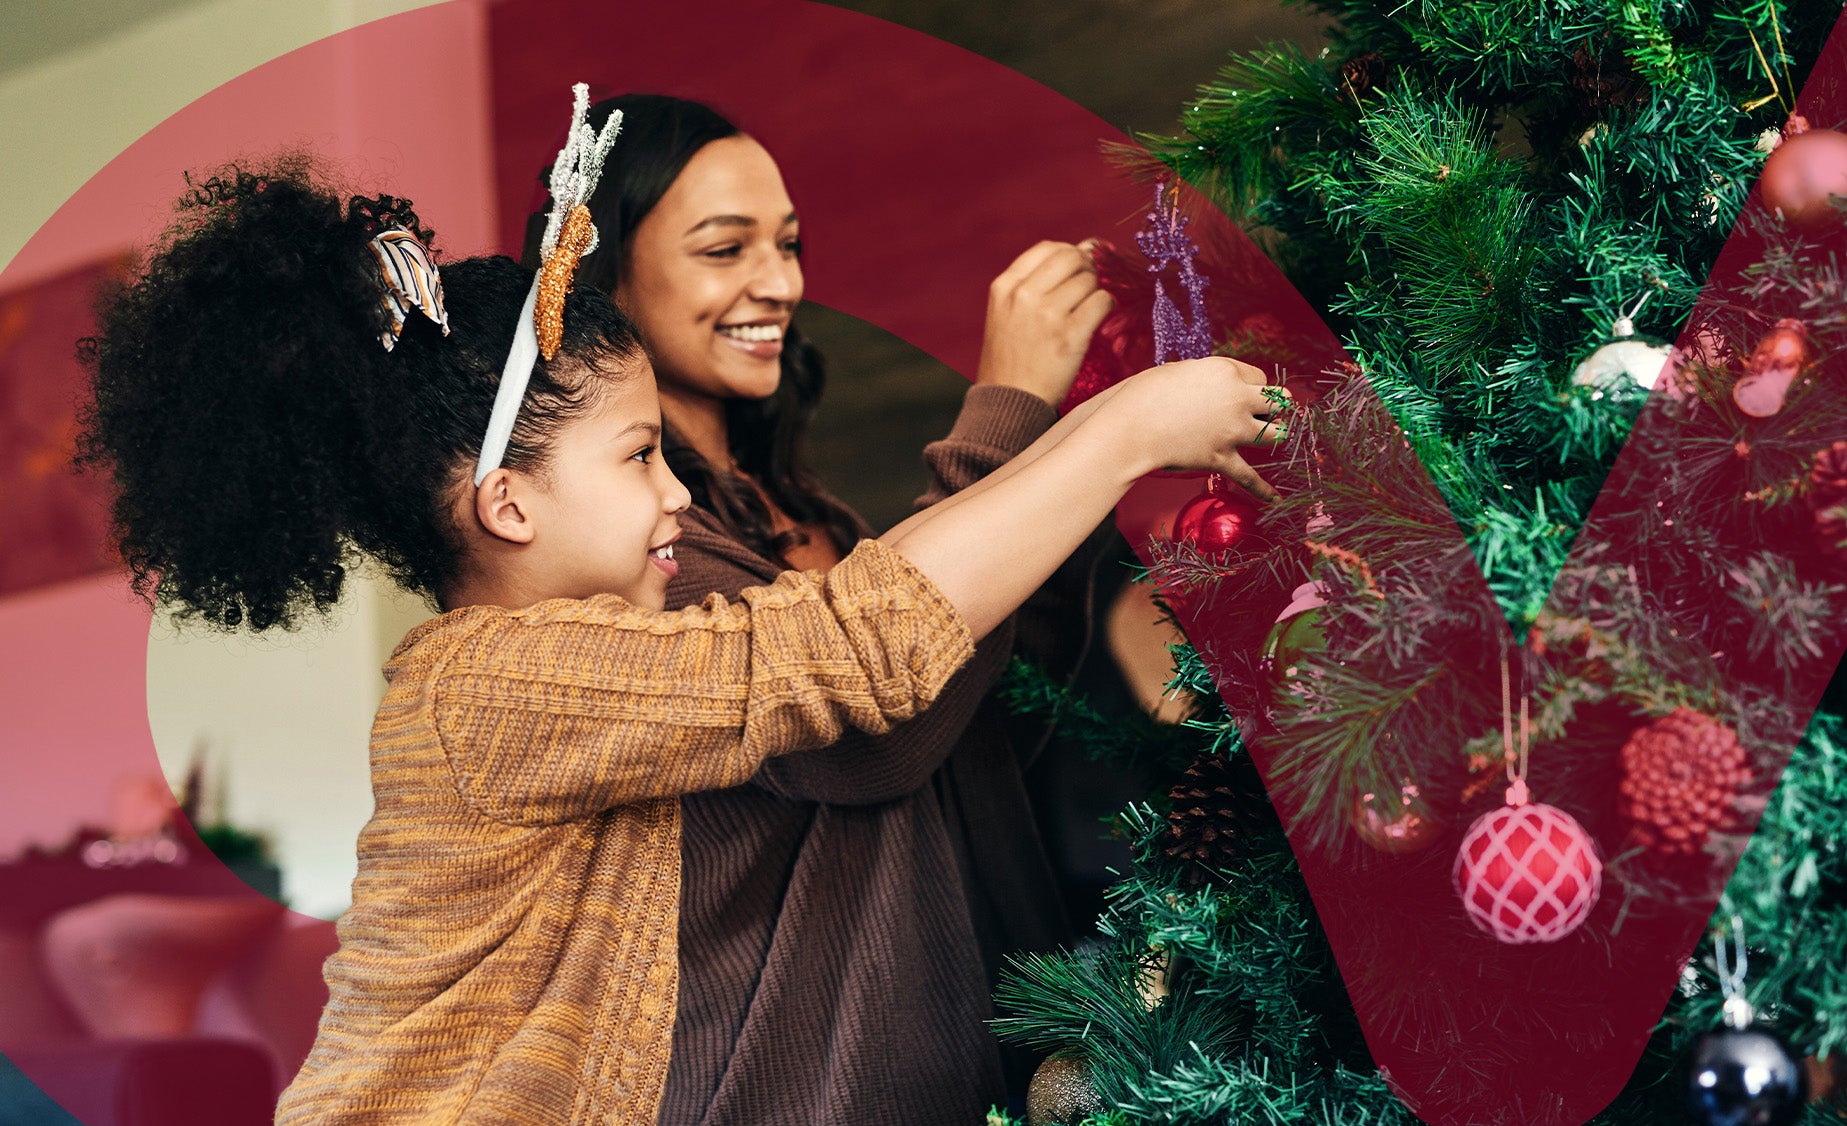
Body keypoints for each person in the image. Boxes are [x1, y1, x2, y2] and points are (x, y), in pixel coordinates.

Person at [77, 149, 1283, 1123]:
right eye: (638, 454)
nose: (671, 492)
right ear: (507, 504)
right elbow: (838, 650)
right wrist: (1120, 432)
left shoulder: (598, 660)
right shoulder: (484, 682)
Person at [528, 93, 1120, 1121]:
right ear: (605, 276)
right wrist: (1008, 412)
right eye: (725, 249)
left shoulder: (816, 519)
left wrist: (1069, 463)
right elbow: (864, 737)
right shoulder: (632, 559)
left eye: (789, 245)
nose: (780, 283)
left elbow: (984, 726)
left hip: (986, 1068)